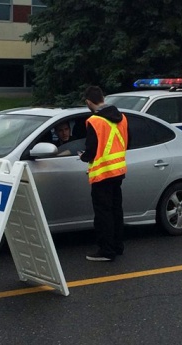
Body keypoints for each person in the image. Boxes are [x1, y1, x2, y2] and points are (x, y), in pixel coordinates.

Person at [80, 86, 128, 262]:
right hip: (118, 171)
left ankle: (106, 251)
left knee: (103, 214)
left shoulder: (94, 121)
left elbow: (91, 150)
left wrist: (83, 157)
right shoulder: (122, 117)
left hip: (102, 173)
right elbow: (125, 142)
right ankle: (118, 246)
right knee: (116, 210)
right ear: (103, 98)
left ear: (88, 102)